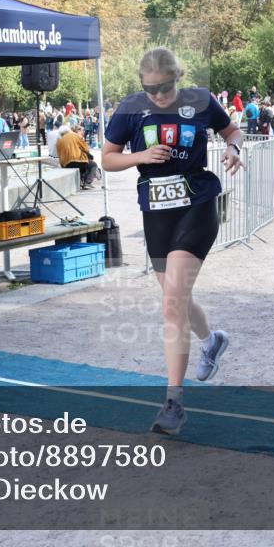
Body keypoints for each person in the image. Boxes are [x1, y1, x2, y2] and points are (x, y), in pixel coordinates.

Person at [102, 47, 244, 436]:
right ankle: (211, 340)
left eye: (165, 87)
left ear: (178, 77)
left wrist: (233, 147)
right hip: (156, 213)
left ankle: (173, 402)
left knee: (170, 304)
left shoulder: (201, 100)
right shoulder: (131, 109)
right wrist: (141, 156)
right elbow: (108, 158)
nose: (159, 95)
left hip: (197, 204)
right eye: (151, 89)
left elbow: (232, 129)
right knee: (177, 300)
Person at [56, 124, 99, 189]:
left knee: (82, 166)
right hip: (78, 160)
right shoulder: (74, 135)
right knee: (93, 165)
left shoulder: (59, 141)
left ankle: (80, 182)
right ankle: (88, 182)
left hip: (66, 163)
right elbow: (85, 148)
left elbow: (59, 154)